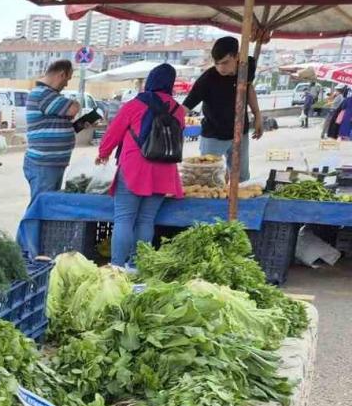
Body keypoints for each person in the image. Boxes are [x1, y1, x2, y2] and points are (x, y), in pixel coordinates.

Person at [96, 63, 185, 269]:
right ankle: (136, 267)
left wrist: (103, 154)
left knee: (124, 219)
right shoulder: (178, 110)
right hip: (164, 170)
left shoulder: (136, 104)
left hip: (135, 168)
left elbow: (113, 132)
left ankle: (117, 267)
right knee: (146, 220)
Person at [183, 36, 263, 183]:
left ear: (237, 57)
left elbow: (249, 87)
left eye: (225, 63)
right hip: (213, 135)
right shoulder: (207, 79)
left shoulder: (248, 65)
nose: (221, 68)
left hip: (240, 133)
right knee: (208, 179)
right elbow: (185, 107)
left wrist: (257, 115)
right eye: (217, 63)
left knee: (242, 178)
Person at [23, 60, 81, 206]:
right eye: (67, 79)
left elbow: (60, 126)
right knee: (41, 208)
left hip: (52, 163)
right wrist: (75, 103)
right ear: (61, 74)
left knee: (48, 207)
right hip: (44, 164)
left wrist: (83, 123)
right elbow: (74, 108)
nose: (66, 84)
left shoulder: (51, 97)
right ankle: (31, 230)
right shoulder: (43, 94)